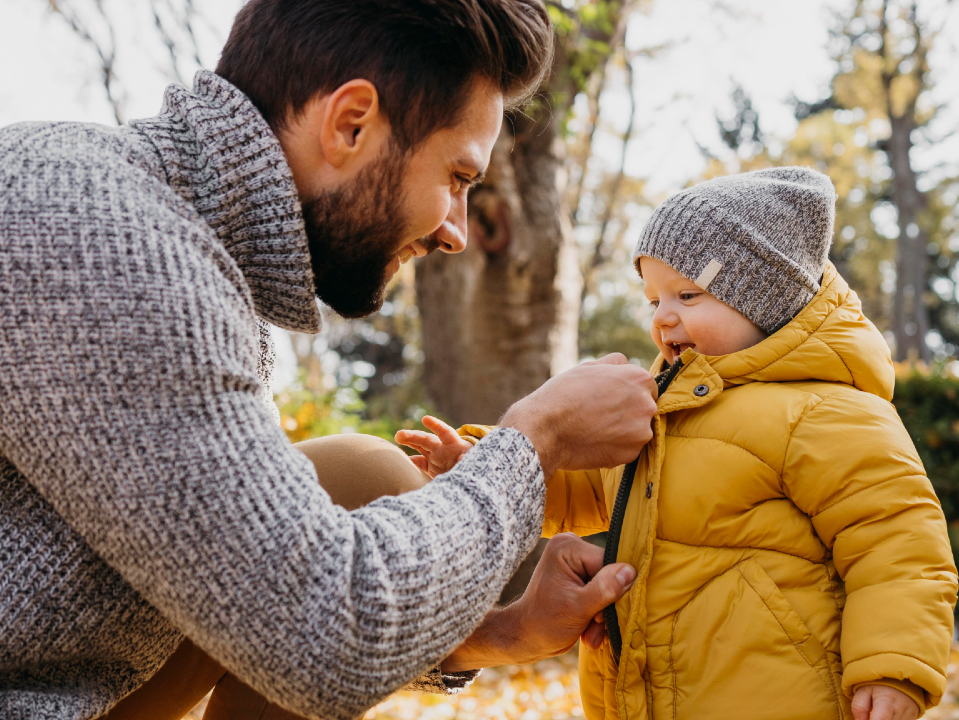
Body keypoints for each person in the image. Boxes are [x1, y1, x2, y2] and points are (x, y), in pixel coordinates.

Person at [0, 1, 663, 719]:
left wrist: (502, 635)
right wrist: (538, 440)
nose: (457, 232)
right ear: (351, 123)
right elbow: (320, 634)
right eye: (458, 178)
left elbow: (254, 574)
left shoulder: (178, 237)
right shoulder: (99, 240)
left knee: (361, 477)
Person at [397, 167, 959, 720]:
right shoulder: (657, 411)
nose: (663, 318)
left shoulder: (826, 411)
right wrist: (486, 466)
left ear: (764, 299)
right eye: (653, 299)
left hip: (778, 696)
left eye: (687, 295)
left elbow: (898, 547)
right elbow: (586, 484)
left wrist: (892, 666)